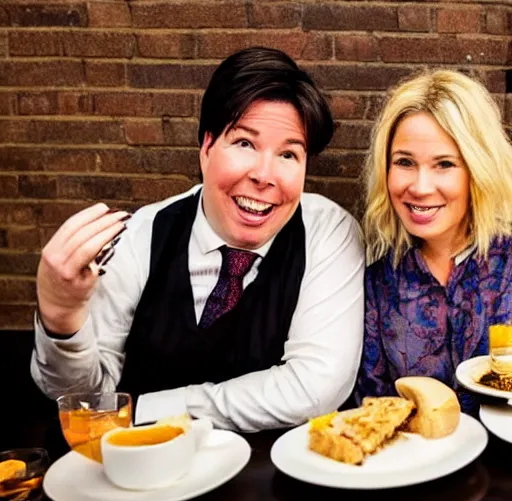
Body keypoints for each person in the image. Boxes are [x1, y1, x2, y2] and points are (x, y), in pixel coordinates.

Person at [31, 47, 365, 432]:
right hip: (148, 473)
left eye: (289, 155)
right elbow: (84, 402)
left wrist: (143, 410)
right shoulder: (142, 233)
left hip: (273, 478)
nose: (264, 175)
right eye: (245, 143)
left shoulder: (328, 232)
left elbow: (315, 388)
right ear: (206, 148)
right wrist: (61, 318)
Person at [356, 69, 512, 415]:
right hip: (414, 465)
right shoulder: (377, 282)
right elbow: (371, 405)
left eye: (444, 164)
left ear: (477, 168)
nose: (421, 187)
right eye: (405, 162)